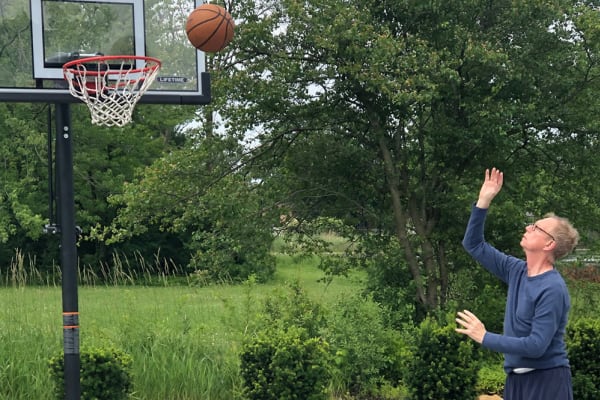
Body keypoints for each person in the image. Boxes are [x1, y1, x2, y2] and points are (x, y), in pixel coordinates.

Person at [455, 167, 579, 400]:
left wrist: (485, 336)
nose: (527, 227)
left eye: (536, 227)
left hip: (547, 384)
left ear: (549, 244)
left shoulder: (552, 288)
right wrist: (483, 201)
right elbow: (473, 244)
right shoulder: (516, 270)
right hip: (516, 382)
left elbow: (536, 346)